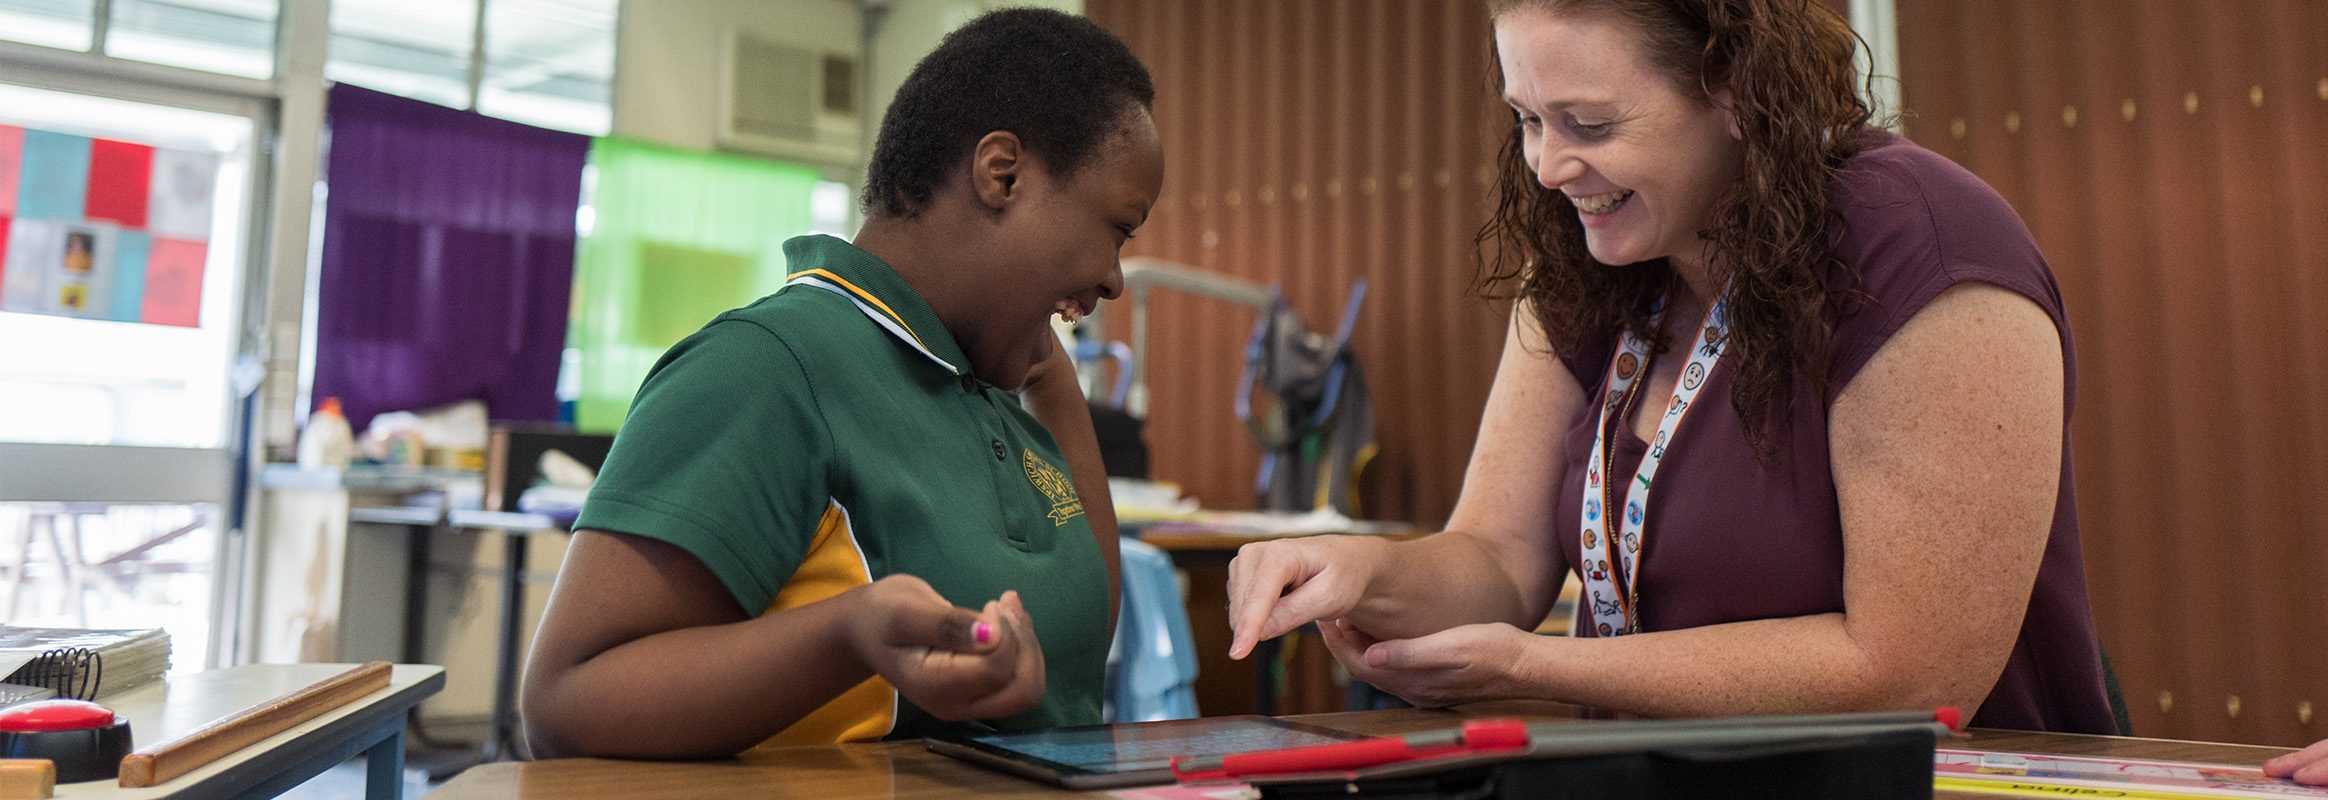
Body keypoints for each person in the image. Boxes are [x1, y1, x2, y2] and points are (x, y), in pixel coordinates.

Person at [1226, 0, 2117, 734]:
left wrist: (1535, 663)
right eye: (1527, 121)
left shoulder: (1921, 246)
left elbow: (1915, 675)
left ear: (1735, 91)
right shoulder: (1589, 261)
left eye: (1590, 124)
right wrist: (1363, 574)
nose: (1546, 166)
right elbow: (1499, 562)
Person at [522, 8, 1163, 759]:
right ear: (1003, 174)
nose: (1116, 278)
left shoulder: (985, 379)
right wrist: (848, 633)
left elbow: (1078, 657)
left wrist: (1049, 372)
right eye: (1118, 229)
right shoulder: (769, 367)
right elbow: (565, 702)